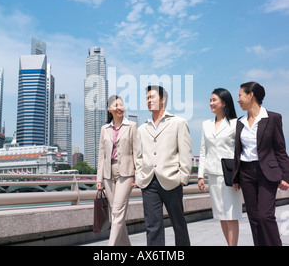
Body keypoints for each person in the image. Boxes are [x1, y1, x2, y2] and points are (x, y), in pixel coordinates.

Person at [233, 82, 289, 246]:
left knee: (265, 216)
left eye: (240, 95)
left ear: (251, 95)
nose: (238, 100)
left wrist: (285, 176)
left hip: (266, 172)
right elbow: (237, 152)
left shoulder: (273, 118)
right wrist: (236, 177)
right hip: (245, 173)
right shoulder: (240, 122)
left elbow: (280, 150)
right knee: (254, 218)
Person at [135, 85, 192, 246]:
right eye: (147, 98)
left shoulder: (178, 123)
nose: (149, 101)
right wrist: (139, 175)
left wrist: (183, 177)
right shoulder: (142, 128)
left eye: (152, 97)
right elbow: (139, 155)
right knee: (152, 226)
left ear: (162, 100)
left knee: (178, 223)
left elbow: (185, 152)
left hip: (172, 179)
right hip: (148, 182)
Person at [198, 88, 242, 246]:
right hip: (213, 175)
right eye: (210, 100)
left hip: (230, 175)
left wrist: (238, 175)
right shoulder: (206, 124)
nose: (211, 103)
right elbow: (203, 150)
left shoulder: (236, 123)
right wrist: (200, 175)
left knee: (231, 214)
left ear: (224, 102)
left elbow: (239, 151)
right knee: (221, 216)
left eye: (214, 100)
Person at [96, 95, 137, 246]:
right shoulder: (104, 129)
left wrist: (137, 176)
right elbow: (102, 156)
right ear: (109, 109)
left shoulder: (132, 126)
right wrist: (99, 179)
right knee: (115, 216)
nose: (119, 107)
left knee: (118, 212)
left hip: (126, 173)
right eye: (116, 105)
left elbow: (136, 152)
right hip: (108, 174)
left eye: (121, 104)